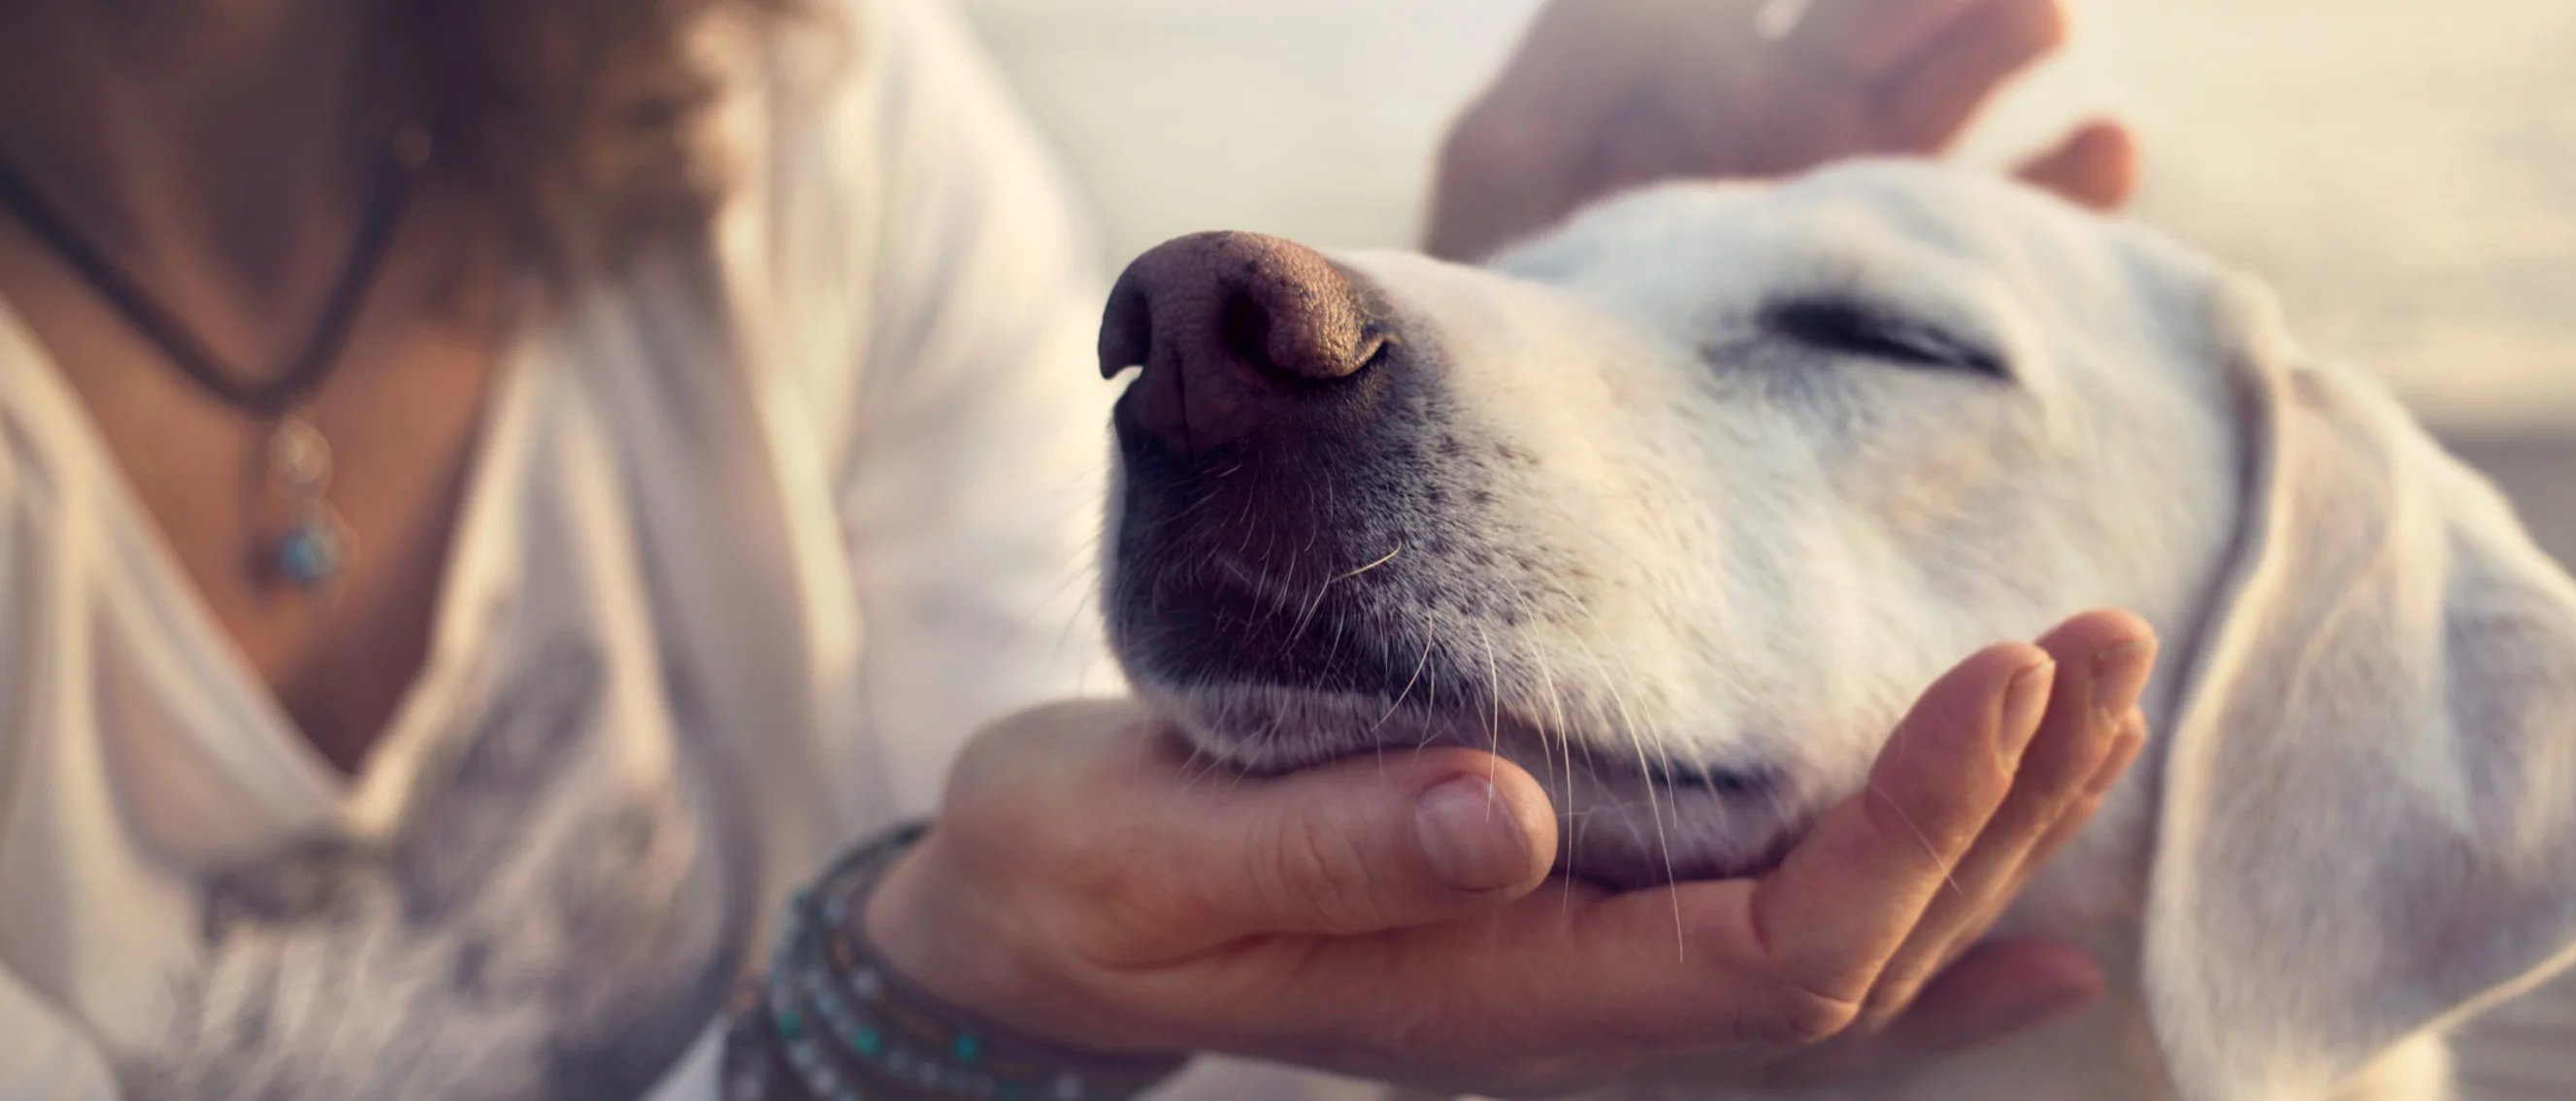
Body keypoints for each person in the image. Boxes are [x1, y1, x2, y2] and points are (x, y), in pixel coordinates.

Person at [0, 0, 2150, 1097]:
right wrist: (922, 1003)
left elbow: (1148, 936)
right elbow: (1033, 931)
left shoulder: (807, 119)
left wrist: (1519, 426)